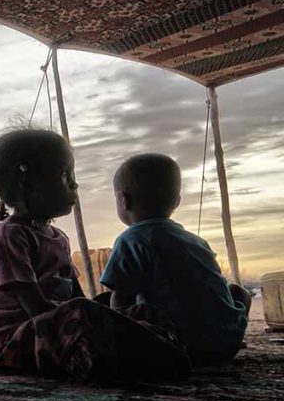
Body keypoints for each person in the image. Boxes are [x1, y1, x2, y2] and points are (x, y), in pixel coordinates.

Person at [0, 129, 190, 382]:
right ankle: (154, 354)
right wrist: (94, 318)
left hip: (57, 329)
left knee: (123, 306)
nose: (74, 184)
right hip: (14, 345)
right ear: (26, 184)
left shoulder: (58, 238)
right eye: (65, 175)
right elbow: (36, 308)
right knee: (84, 313)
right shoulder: (8, 238)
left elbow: (76, 296)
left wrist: (105, 314)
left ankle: (148, 350)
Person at [100, 153, 250, 365]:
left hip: (176, 344)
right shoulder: (197, 241)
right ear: (177, 201)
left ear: (123, 200)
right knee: (239, 293)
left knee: (116, 309)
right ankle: (227, 335)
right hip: (226, 344)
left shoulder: (130, 240)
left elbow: (120, 299)